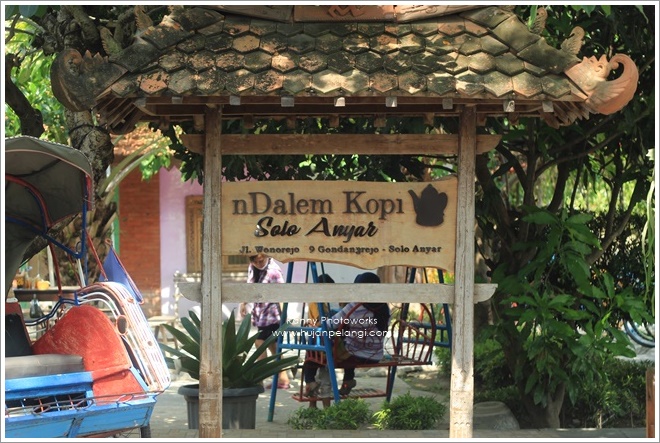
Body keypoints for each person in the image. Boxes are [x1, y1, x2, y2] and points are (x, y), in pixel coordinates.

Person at [303, 272, 390, 400]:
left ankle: (310, 381)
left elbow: (330, 324)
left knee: (313, 347)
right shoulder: (384, 307)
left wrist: (318, 325)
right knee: (350, 342)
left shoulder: (354, 306)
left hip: (354, 355)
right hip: (375, 355)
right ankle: (348, 380)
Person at [239, 253, 290, 389]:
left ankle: (259, 379)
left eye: (261, 261)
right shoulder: (252, 267)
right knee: (274, 348)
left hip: (272, 315)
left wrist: (284, 317)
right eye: (255, 262)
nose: (258, 264)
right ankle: (283, 379)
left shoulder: (274, 271)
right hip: (261, 315)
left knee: (260, 344)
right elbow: (250, 286)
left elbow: (281, 294)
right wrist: (243, 303)